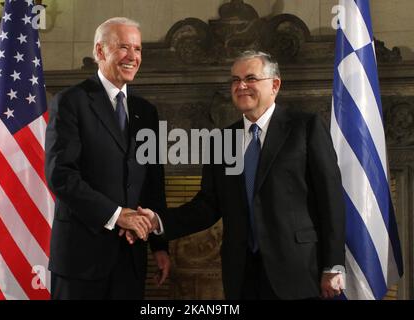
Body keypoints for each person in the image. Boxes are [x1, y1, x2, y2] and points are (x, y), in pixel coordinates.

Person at [138, 50, 346, 300]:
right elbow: (206, 206)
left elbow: (331, 200)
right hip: (242, 274)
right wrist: (158, 222)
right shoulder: (222, 141)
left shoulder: (305, 127)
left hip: (299, 271)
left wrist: (333, 265)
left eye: (250, 78)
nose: (241, 86)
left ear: (275, 85)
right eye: (235, 80)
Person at [45, 17, 170, 300]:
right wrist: (117, 216)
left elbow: (153, 182)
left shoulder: (146, 111)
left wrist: (160, 246)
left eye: (137, 49)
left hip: (130, 258)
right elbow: (61, 175)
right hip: (81, 260)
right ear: (100, 52)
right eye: (124, 47)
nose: (133, 57)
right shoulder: (71, 102)